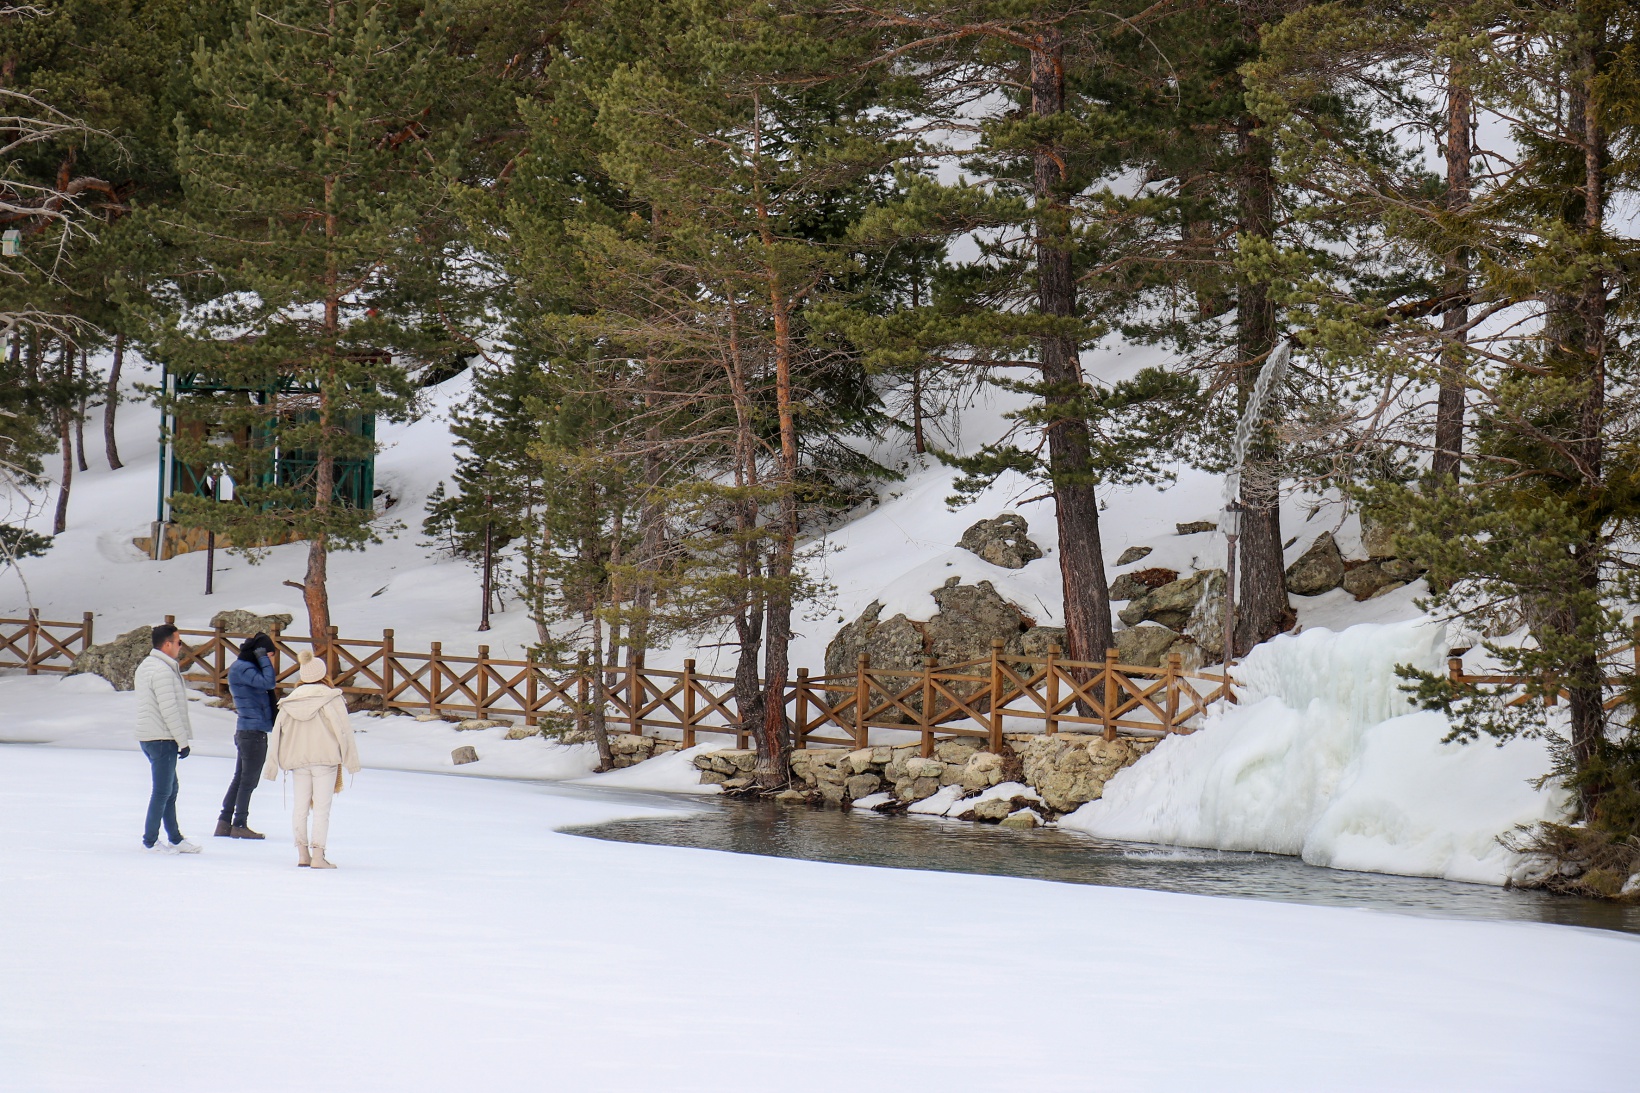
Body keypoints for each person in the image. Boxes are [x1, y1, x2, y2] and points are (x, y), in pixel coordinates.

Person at [262, 650, 360, 869]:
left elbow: (277, 735)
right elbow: (344, 731)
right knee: (322, 809)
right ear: (323, 674)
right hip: (325, 760)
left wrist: (272, 767)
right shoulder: (331, 698)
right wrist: (351, 761)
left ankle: (302, 854)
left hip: (297, 762)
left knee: (300, 807)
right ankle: (318, 856)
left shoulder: (288, 702)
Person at [134, 623, 201, 854]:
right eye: (179, 642)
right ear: (168, 644)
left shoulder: (150, 666)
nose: (181, 647)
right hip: (161, 737)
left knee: (170, 789)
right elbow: (169, 709)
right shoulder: (161, 671)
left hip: (153, 735)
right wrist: (182, 741)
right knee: (163, 791)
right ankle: (150, 841)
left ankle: (175, 838)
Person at [216, 632, 277, 839]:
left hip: (248, 730)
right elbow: (269, 683)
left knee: (240, 778)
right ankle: (239, 823)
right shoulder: (245, 668)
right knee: (248, 781)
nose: (273, 660)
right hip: (252, 732)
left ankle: (224, 823)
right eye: (271, 655)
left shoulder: (243, 667)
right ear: (261, 653)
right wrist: (263, 658)